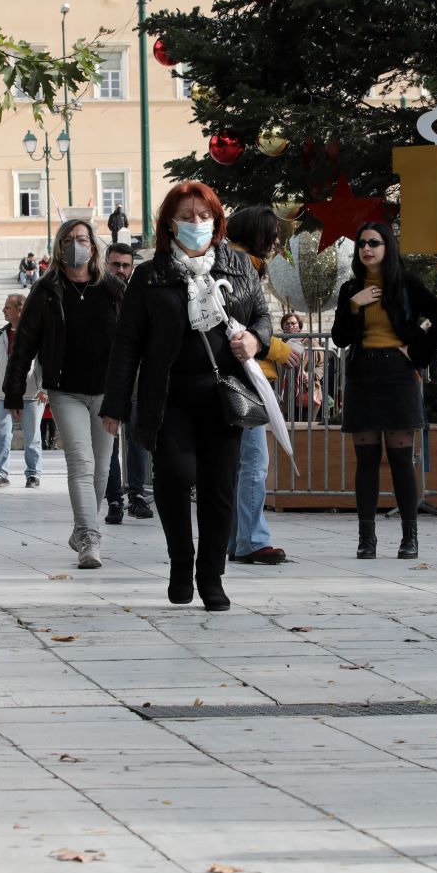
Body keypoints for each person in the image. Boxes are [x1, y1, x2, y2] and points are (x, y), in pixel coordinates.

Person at [102, 182, 269, 612]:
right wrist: (116, 407)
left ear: (216, 222)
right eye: (187, 216)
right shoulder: (151, 274)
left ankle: (211, 577)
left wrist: (255, 339)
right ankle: (181, 561)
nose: (196, 223)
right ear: (169, 224)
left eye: (203, 216)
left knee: (220, 488)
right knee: (173, 478)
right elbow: (126, 344)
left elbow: (263, 316)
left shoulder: (237, 267)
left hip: (224, 395)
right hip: (169, 394)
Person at [5, 218, 124, 570]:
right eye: (70, 239)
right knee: (80, 460)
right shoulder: (46, 290)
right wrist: (14, 391)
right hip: (64, 389)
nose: (77, 245)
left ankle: (83, 528)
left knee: (102, 468)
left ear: (94, 245)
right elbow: (24, 343)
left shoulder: (114, 289)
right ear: (59, 247)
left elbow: (133, 340)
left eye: (83, 238)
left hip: (106, 391)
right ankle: (89, 535)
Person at [332, 221, 437, 561]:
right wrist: (354, 304)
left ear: (388, 247)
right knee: (366, 460)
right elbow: (340, 338)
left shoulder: (407, 284)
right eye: (361, 244)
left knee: (401, 459)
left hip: (398, 374)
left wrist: (417, 354)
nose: (367, 249)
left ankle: (409, 538)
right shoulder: (350, 288)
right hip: (362, 374)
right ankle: (366, 539)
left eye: (374, 242)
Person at [224, 206, 300, 566]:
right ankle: (252, 539)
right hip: (245, 379)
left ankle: (238, 539)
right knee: (253, 462)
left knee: (241, 464)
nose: (276, 241)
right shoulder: (242, 268)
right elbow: (249, 327)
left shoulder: (239, 265)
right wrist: (282, 350)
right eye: (272, 234)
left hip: (240, 378)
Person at [102, 242, 152, 522]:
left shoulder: (140, 295)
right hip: (106, 380)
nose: (120, 270)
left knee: (137, 439)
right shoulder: (97, 293)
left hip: (134, 379)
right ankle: (114, 500)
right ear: (106, 264)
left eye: (125, 265)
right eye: (115, 264)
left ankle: (136, 495)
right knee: (109, 443)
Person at [0, 294, 44, 489]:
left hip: (31, 394)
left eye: (7, 307)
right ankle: (0, 473)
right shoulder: (1, 335)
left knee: (32, 436)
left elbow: (44, 363)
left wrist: (44, 388)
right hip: (4, 394)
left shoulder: (37, 334)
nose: (4, 311)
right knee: (1, 434)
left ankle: (33, 474)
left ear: (20, 310)